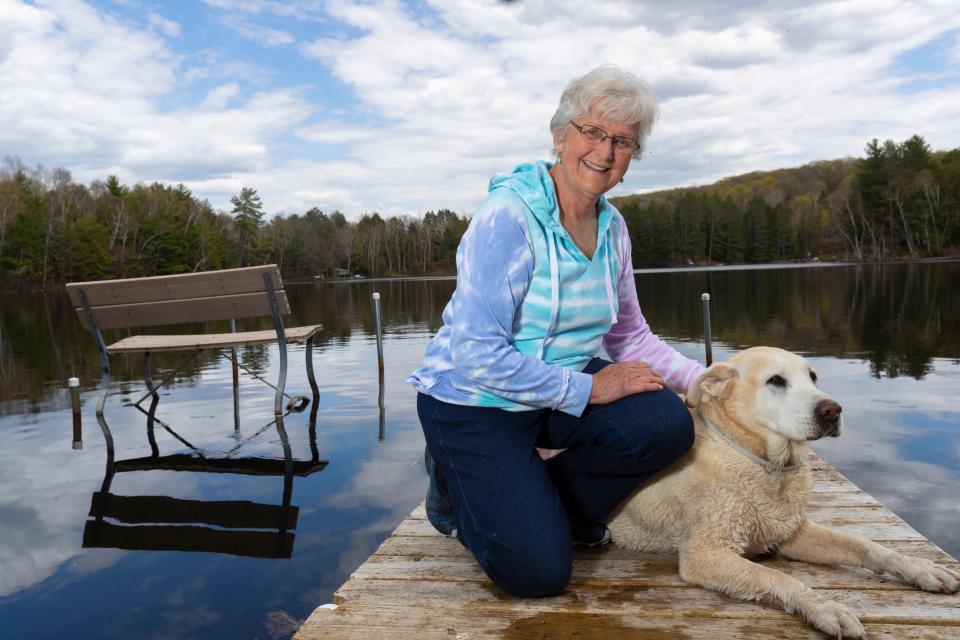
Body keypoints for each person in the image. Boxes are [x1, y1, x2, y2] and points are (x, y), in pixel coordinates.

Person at [407, 64, 705, 598]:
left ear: (631, 158)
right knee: (538, 575)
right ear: (560, 135)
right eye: (592, 131)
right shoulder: (508, 216)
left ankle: (539, 500)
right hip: (474, 402)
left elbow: (629, 337)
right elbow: (476, 355)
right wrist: (591, 388)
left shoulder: (613, 227)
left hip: (552, 391)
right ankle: (453, 487)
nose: (604, 151)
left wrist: (707, 382)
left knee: (666, 425)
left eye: (621, 141)